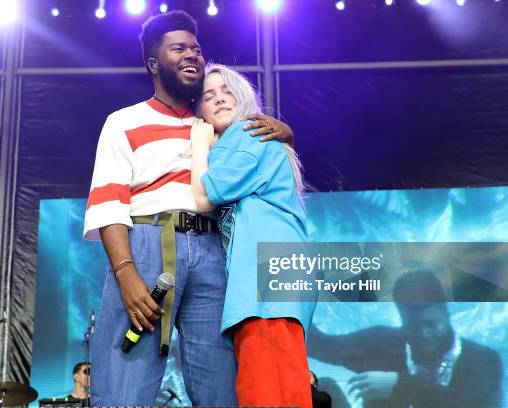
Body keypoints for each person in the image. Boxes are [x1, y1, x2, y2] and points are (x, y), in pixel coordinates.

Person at [83, 11, 294, 406]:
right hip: (148, 246)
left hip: (214, 249)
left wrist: (285, 133)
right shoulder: (124, 122)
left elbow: (260, 158)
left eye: (196, 48)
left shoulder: (218, 123)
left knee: (221, 383)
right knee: (125, 384)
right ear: (153, 64)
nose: (191, 55)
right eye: (178, 48)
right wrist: (127, 274)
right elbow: (109, 206)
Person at [190, 63, 317, 407]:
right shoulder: (242, 140)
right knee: (274, 383)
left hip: (267, 281)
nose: (218, 99)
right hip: (271, 279)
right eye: (208, 96)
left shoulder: (248, 133)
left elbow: (204, 198)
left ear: (244, 96)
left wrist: (198, 143)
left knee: (267, 388)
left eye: (227, 90)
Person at [308, 270, 503, 408]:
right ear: (403, 320)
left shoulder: (483, 360)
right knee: (324, 389)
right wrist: (303, 293)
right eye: (413, 327)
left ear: (446, 314)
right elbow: (319, 346)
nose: (424, 335)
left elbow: (473, 404)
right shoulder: (382, 342)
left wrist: (400, 385)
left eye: (432, 324)